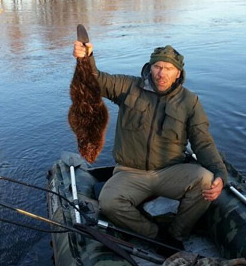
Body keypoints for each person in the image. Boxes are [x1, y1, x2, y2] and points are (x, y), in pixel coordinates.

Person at [73, 40, 227, 249]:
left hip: (170, 171)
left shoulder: (189, 102)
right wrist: (86, 59)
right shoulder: (129, 87)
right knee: (109, 202)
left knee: (207, 181)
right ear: (150, 68)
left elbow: (203, 142)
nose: (161, 73)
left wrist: (220, 173)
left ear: (178, 74)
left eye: (169, 69)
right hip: (130, 172)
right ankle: (155, 235)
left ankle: (177, 234)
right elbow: (96, 81)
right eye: (158, 67)